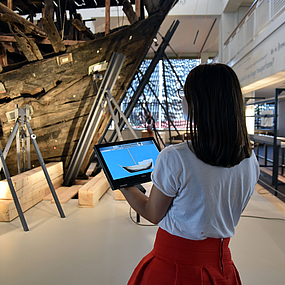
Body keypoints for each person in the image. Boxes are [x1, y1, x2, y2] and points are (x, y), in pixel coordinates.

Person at [119, 63, 260, 285]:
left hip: (173, 268)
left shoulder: (176, 157)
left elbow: (152, 213)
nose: (182, 101)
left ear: (199, 104)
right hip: (222, 269)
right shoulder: (251, 161)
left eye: (185, 95)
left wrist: (125, 186)